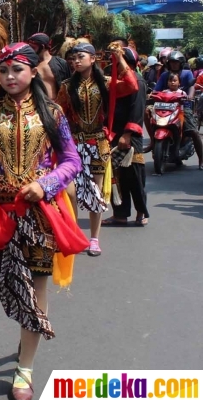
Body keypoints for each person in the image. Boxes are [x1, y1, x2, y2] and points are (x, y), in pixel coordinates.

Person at [0, 43, 81, 400]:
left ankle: (25, 368)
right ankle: (27, 325)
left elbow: (71, 161)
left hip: (39, 213)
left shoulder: (52, 113)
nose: (10, 76)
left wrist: (45, 184)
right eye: (4, 71)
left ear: (33, 72)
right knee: (4, 280)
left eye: (17, 69)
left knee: (35, 287)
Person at [56, 42, 138, 256]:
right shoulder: (66, 86)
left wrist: (119, 58)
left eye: (81, 56)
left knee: (95, 192)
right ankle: (74, 233)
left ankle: (94, 239)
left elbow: (131, 85)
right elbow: (59, 116)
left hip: (99, 143)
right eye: (73, 58)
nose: (76, 61)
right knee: (70, 191)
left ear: (93, 59)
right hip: (74, 144)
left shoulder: (107, 83)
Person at [102, 48, 149, 227]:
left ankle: (141, 211)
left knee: (134, 176)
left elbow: (137, 110)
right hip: (114, 133)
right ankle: (120, 214)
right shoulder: (117, 81)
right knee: (117, 176)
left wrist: (127, 134)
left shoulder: (137, 81)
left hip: (130, 136)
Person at [148, 50, 203, 168]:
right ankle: (152, 142)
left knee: (193, 131)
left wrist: (190, 96)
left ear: (181, 63)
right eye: (172, 62)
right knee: (148, 115)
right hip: (165, 106)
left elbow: (192, 87)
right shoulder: (164, 75)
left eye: (176, 62)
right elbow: (157, 89)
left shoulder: (187, 73)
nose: (174, 64)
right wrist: (152, 94)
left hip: (183, 107)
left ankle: (201, 160)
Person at [27, 33, 71, 100]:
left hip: (58, 106)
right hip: (38, 105)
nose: (31, 50)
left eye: (33, 47)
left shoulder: (61, 63)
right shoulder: (30, 64)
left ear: (43, 46)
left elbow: (69, 86)